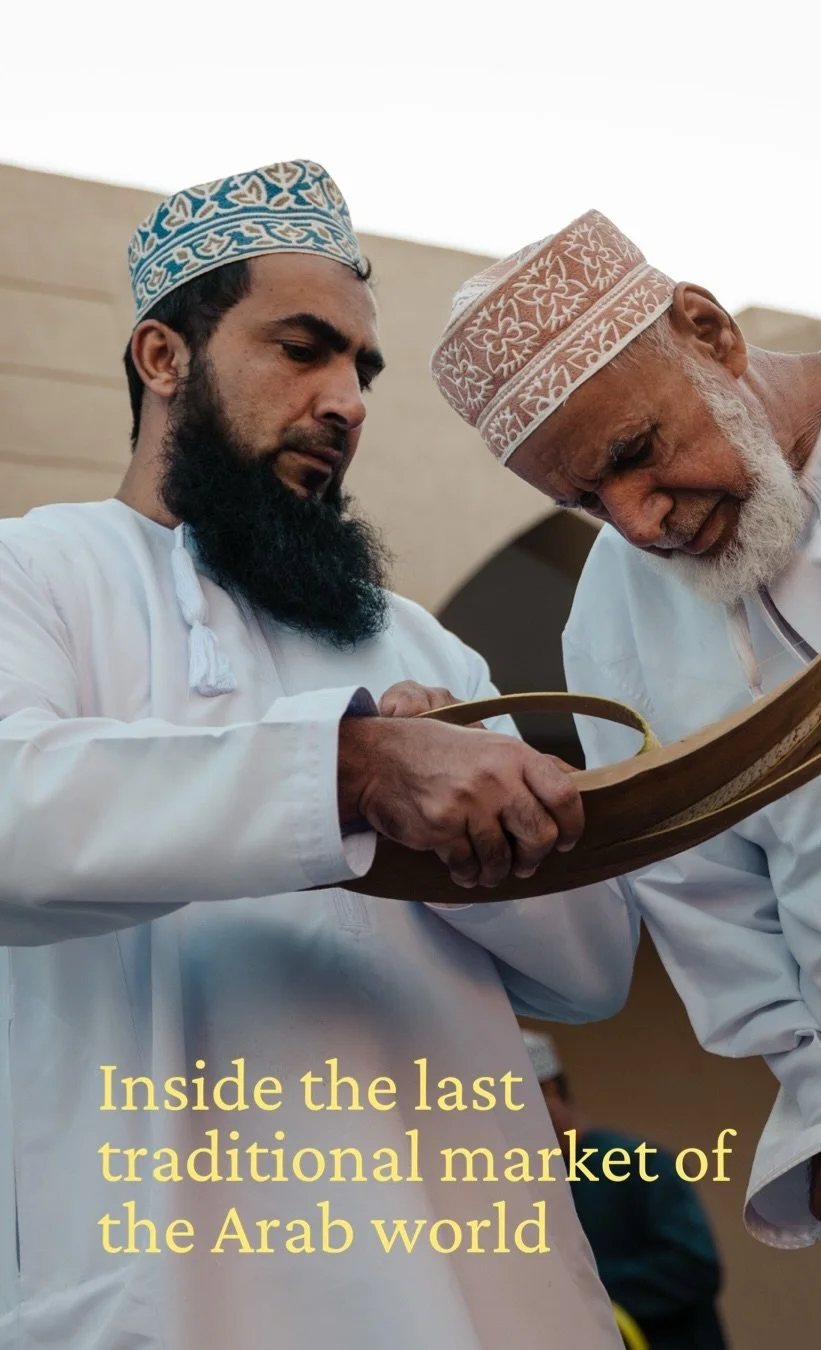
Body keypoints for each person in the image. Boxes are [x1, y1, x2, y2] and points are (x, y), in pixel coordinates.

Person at [0, 164, 641, 1350]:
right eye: (302, 350)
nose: (346, 401)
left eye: (362, 369)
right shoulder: (34, 574)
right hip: (183, 1301)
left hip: (474, 1298)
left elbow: (594, 964)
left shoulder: (419, 644)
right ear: (162, 357)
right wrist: (353, 771)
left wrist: (459, 826)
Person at [429, 209, 821, 1350]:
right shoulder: (611, 624)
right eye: (584, 500)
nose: (639, 521)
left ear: (709, 331)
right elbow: (709, 909)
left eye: (635, 451)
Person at [522, 1030, 728, 1350]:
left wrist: (584, 1286)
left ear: (547, 1089)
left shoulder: (639, 1163)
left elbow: (694, 1268)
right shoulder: (532, 1185)